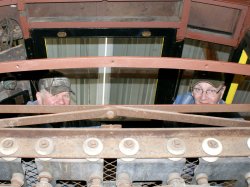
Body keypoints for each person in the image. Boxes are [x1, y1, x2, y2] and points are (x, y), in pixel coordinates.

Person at [27, 71, 101, 128]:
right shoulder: (24, 124)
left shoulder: (71, 118)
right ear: (39, 97)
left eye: (65, 95)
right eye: (55, 95)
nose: (62, 102)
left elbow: (96, 127)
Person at [173, 70, 242, 118]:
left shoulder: (231, 117)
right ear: (192, 91)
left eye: (211, 91)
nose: (203, 98)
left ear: (222, 91)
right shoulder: (181, 101)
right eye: (198, 89)